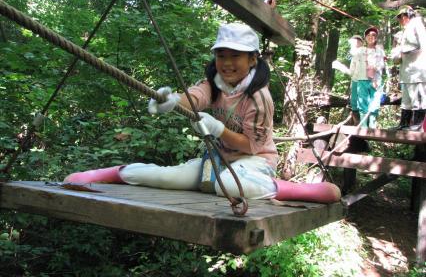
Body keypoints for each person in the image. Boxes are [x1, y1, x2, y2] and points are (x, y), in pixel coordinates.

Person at [64, 23, 340, 203]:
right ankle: (114, 172)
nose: (227, 63)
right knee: (167, 177)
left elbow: (252, 146)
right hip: (217, 161)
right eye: (221, 55)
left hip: (256, 162)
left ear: (252, 59)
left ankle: (296, 190)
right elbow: (195, 98)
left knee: (229, 187)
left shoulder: (259, 97)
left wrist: (219, 130)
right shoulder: (214, 84)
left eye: (236, 56)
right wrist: (171, 101)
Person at [390, 5, 426, 131]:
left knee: (418, 99)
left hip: (417, 71)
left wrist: (402, 49)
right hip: (406, 73)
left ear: (406, 15)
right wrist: (396, 53)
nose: (400, 20)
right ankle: (404, 124)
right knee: (406, 101)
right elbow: (398, 58)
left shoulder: (417, 24)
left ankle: (418, 125)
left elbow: (422, 44)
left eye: (401, 17)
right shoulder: (404, 31)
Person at [350, 27, 386, 128]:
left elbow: (382, 65)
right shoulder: (360, 50)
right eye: (369, 35)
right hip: (362, 79)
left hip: (376, 80)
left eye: (373, 35)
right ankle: (363, 125)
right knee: (362, 101)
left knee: (375, 101)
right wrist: (354, 77)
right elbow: (353, 65)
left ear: (376, 38)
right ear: (365, 37)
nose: (371, 37)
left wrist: (375, 68)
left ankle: (372, 124)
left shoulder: (379, 50)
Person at [348, 35, 364, 125]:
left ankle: (362, 123)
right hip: (354, 79)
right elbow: (349, 59)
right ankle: (356, 122)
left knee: (361, 101)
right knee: (353, 102)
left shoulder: (364, 52)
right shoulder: (352, 53)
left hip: (362, 80)